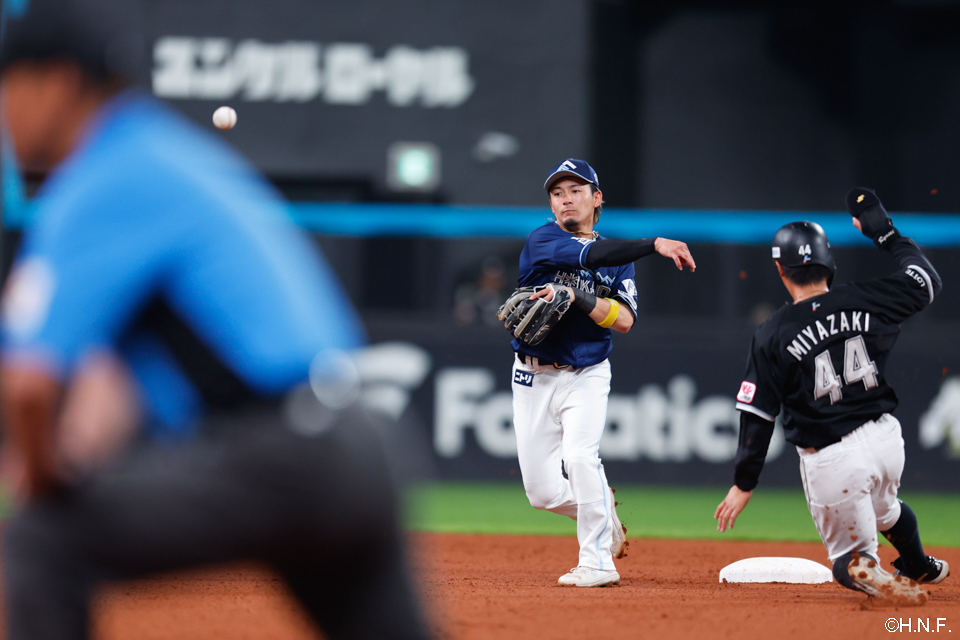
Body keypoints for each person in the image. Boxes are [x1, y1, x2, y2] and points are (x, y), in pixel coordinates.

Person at [0, 2, 429, 639]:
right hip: (362, 446)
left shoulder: (104, 178)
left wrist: (39, 479)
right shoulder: (171, 153)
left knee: (42, 540)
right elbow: (135, 371)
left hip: (281, 459)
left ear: (56, 82)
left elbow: (31, 385)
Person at [715, 190, 950, 602]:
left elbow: (758, 413)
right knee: (886, 510)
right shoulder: (865, 298)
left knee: (847, 559)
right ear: (830, 263)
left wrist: (744, 482)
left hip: (832, 457)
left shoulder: (773, 333)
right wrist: (885, 233)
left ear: (779, 269)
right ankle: (917, 563)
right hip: (885, 440)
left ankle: (870, 567)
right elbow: (927, 281)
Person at [509, 158, 696, 587]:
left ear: (597, 198)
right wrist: (653, 244)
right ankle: (602, 508)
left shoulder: (618, 262)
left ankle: (597, 563)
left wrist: (578, 297)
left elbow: (626, 320)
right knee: (542, 493)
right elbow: (590, 253)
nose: (565, 199)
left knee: (579, 458)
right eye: (557, 193)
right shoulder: (543, 240)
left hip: (587, 374)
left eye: (576, 190)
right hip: (532, 376)